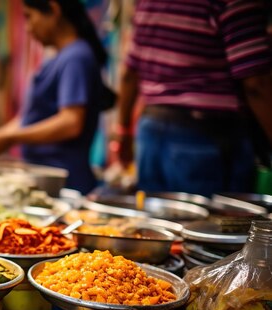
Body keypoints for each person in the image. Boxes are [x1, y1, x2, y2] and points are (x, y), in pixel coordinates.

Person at [114, 0, 272, 196]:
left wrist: (123, 131)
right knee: (210, 224)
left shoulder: (148, 3)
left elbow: (129, 74)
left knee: (153, 221)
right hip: (205, 137)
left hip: (151, 133)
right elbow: (256, 83)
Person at [0, 0, 110, 194]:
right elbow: (28, 120)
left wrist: (11, 137)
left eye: (29, 16)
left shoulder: (76, 58)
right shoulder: (60, 58)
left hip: (66, 185)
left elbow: (71, 122)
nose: (27, 28)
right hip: (47, 182)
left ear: (53, 10)